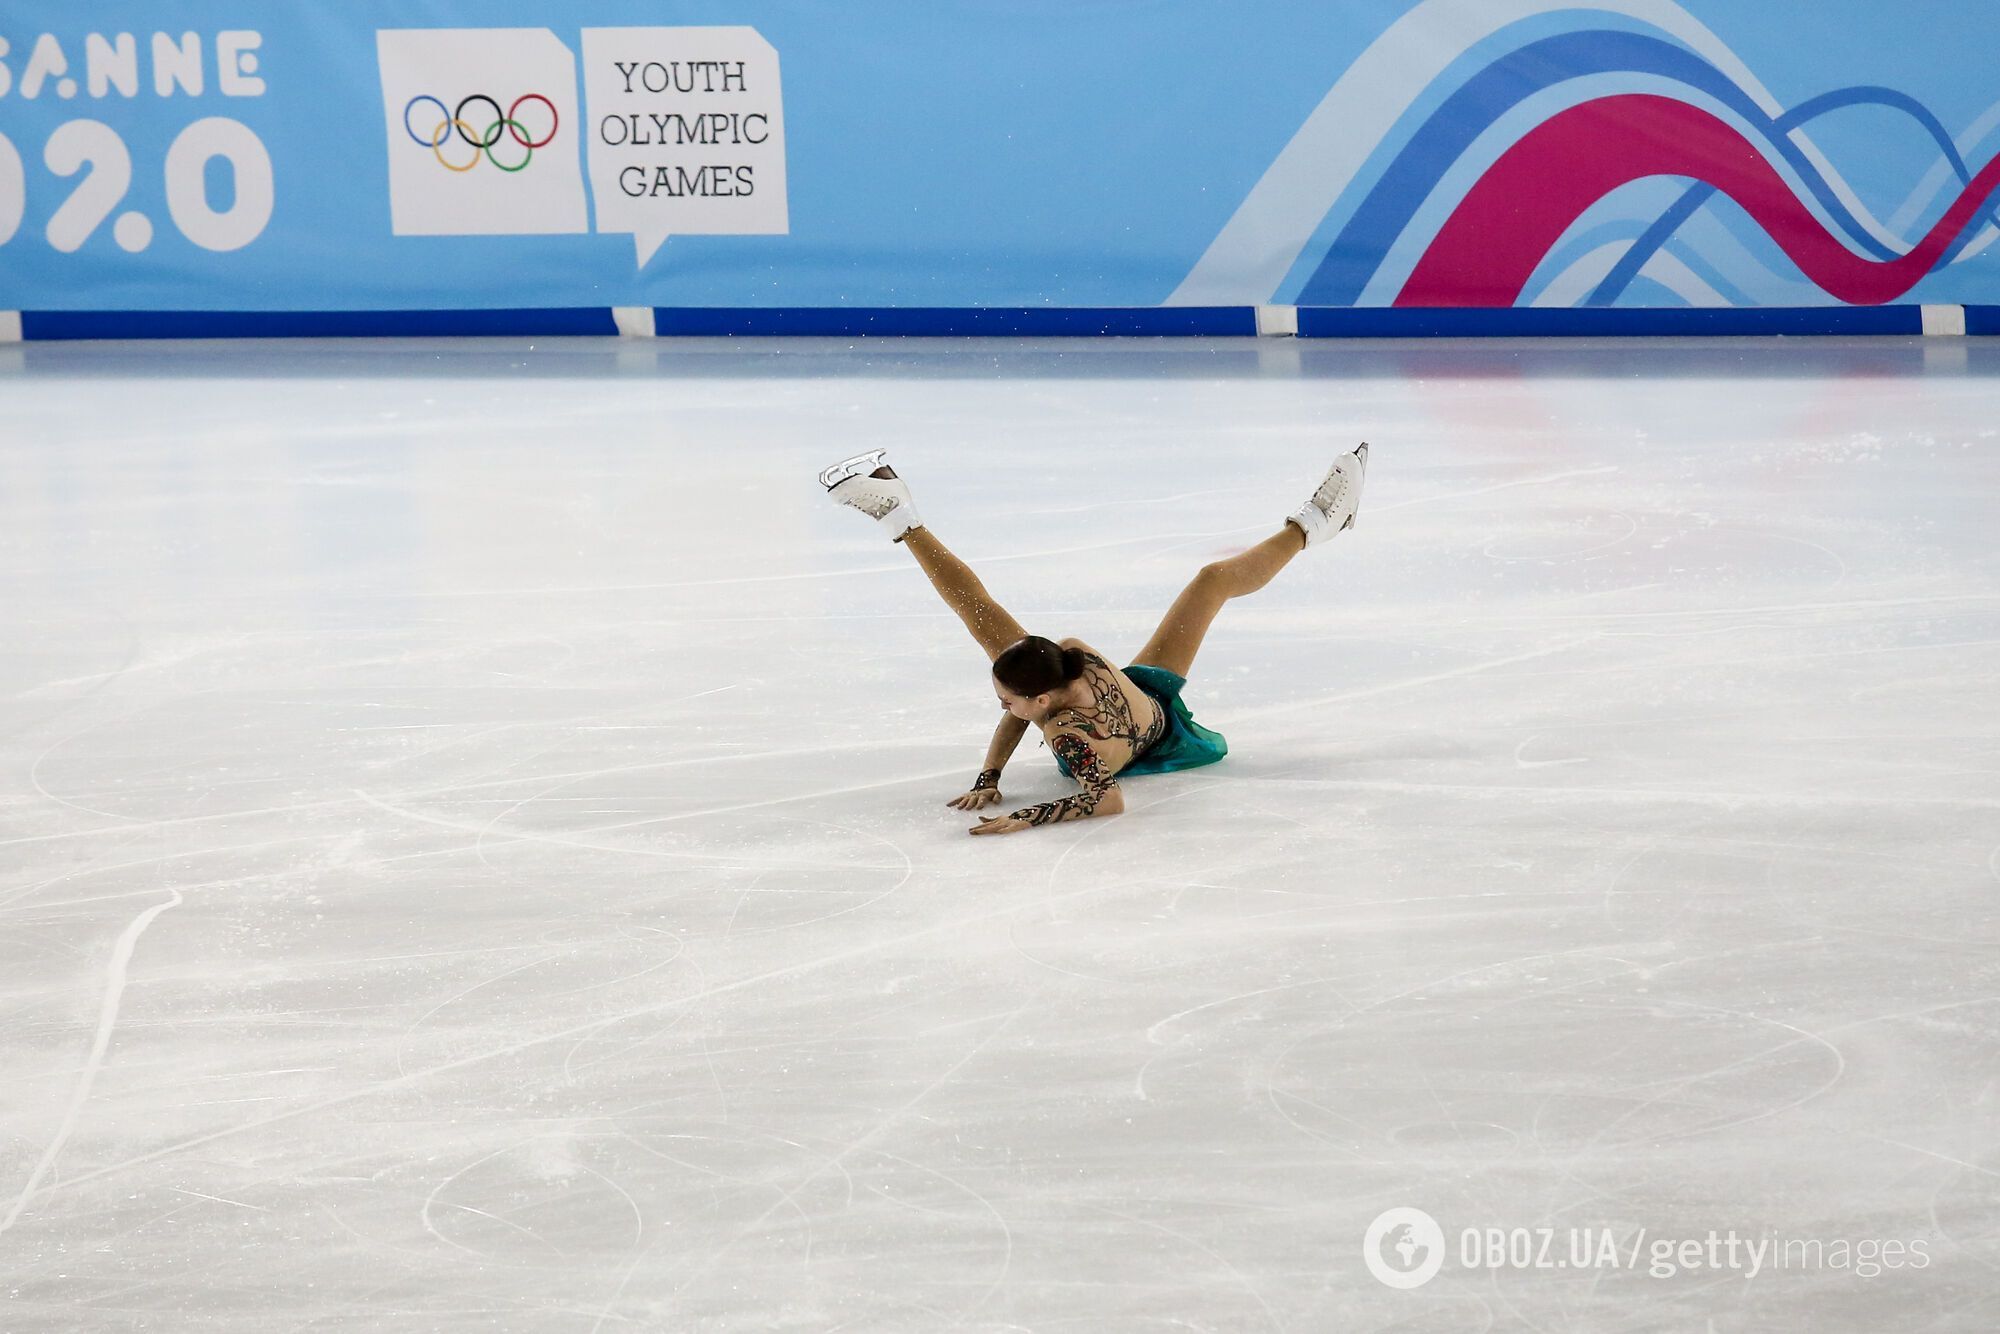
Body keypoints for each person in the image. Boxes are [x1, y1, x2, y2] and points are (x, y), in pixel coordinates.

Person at [818, 442, 1368, 834]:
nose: (1003, 707)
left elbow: (1107, 801)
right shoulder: (1070, 658)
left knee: (1207, 580)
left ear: (1042, 697)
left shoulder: (1067, 736)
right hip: (1143, 700)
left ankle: (1320, 519)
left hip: (1155, 734)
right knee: (988, 618)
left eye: (1006, 698)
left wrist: (1023, 816)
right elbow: (1029, 714)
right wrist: (991, 774)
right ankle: (899, 512)